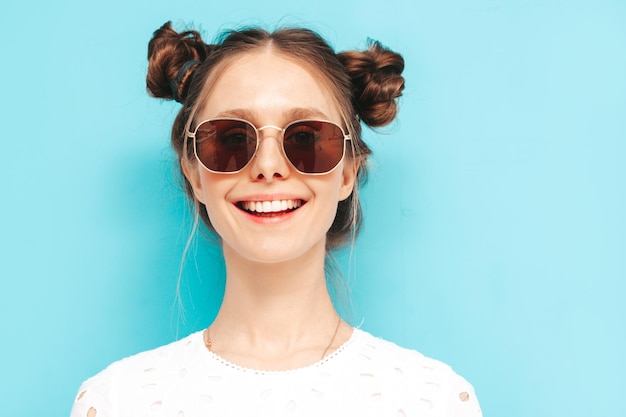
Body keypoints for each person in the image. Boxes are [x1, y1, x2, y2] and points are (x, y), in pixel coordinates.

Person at [70, 21, 481, 417]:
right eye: (232, 138)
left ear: (348, 173)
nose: (268, 167)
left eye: (306, 138)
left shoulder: (434, 401)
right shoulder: (116, 402)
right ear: (194, 172)